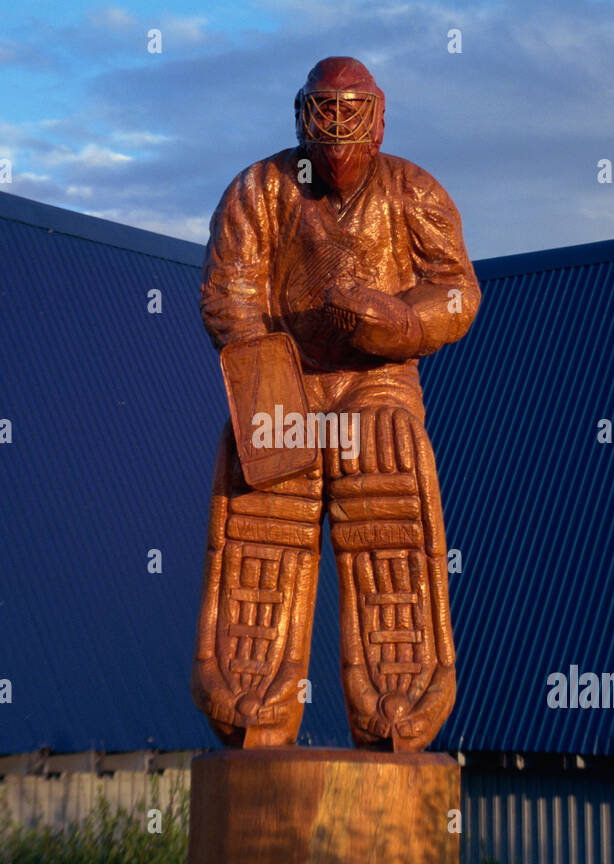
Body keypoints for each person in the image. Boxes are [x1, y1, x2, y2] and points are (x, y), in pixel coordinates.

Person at [191, 56, 480, 751]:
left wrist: (400, 321)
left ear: (378, 118)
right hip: (286, 372)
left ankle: (397, 685)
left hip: (375, 378)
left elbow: (458, 288)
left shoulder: (414, 191)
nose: (338, 131)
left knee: (382, 457)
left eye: (352, 114)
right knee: (263, 482)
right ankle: (252, 686)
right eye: (325, 113)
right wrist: (264, 378)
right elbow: (229, 290)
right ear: (303, 115)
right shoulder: (259, 190)